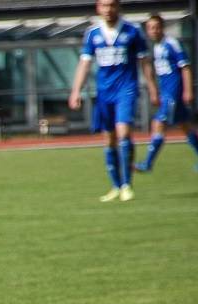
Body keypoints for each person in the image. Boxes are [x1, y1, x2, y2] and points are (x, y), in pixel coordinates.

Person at [69, 0, 158, 202]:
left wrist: (153, 90)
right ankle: (115, 186)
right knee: (108, 139)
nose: (108, 9)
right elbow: (84, 64)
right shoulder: (93, 33)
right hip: (104, 93)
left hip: (126, 89)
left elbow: (145, 63)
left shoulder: (133, 31)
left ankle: (127, 184)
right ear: (98, 8)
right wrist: (76, 91)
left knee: (124, 132)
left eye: (112, 5)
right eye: (104, 5)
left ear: (118, 7)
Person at [135, 14, 198, 173]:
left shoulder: (172, 44)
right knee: (185, 126)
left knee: (157, 124)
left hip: (173, 93)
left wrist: (188, 91)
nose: (154, 31)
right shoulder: (156, 47)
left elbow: (185, 67)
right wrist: (155, 90)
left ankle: (147, 164)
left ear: (162, 28)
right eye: (150, 28)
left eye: (157, 27)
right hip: (166, 92)